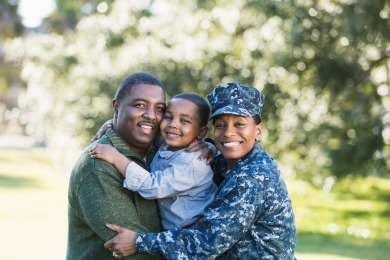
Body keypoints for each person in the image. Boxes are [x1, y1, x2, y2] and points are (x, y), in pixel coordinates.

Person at [103, 82, 296, 259]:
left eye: (239, 124)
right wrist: (116, 123)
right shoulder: (224, 160)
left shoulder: (253, 176)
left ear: (258, 131)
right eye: (221, 125)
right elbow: (171, 145)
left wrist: (138, 241)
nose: (229, 132)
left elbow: (208, 243)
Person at [66, 72, 214, 260]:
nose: (151, 116)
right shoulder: (98, 165)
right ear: (116, 106)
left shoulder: (159, 148)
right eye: (140, 105)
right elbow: (134, 252)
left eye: (160, 109)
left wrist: (209, 146)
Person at [89, 93, 218, 230]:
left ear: (201, 133)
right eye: (168, 117)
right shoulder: (169, 143)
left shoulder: (194, 162)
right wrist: (113, 122)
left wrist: (117, 158)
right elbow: (143, 128)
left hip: (192, 233)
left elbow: (152, 186)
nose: (173, 124)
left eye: (184, 121)